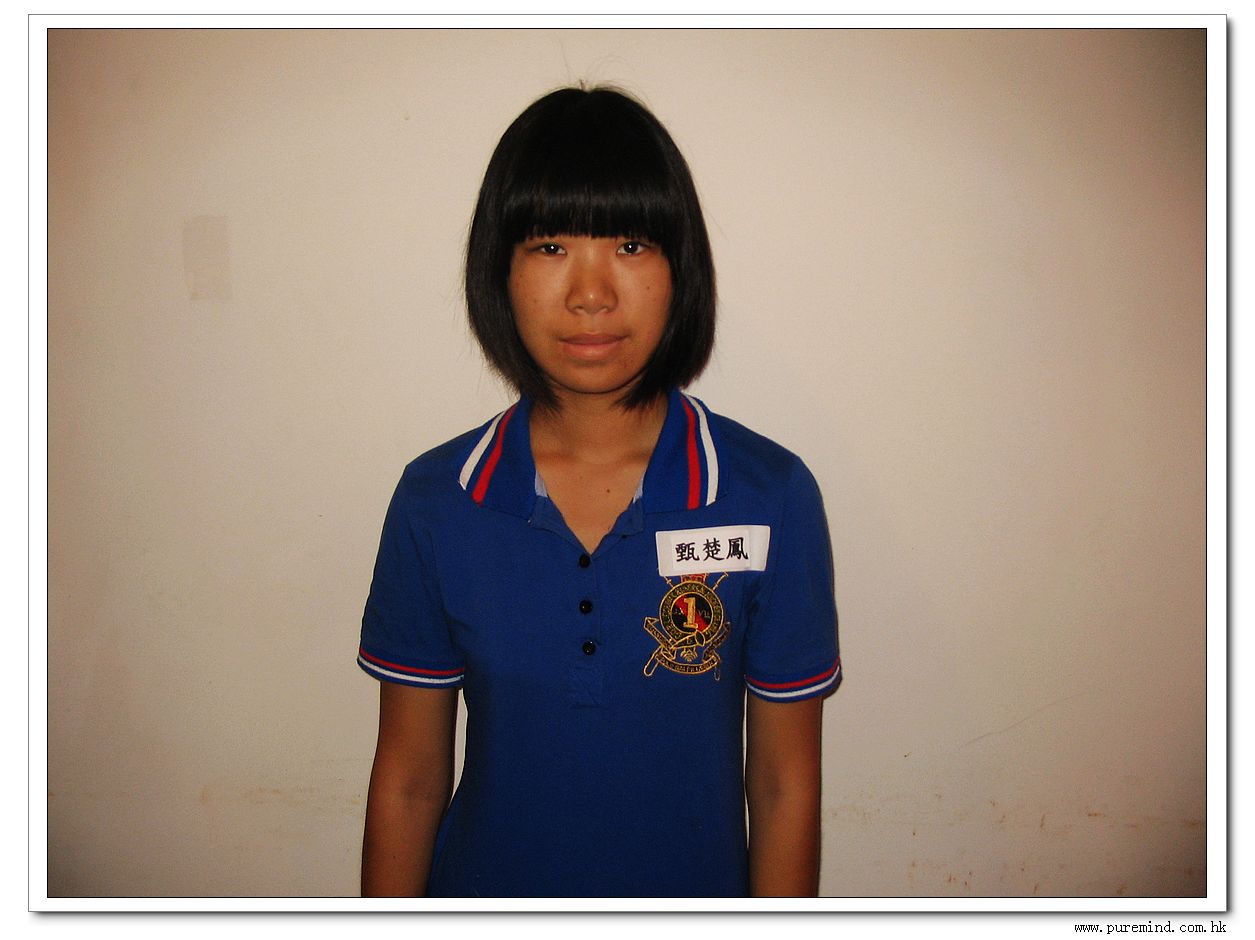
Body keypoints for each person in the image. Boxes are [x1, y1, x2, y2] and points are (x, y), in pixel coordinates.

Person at [357, 85, 840, 898]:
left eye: (630, 244)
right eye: (550, 246)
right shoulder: (436, 501)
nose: (591, 293)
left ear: (680, 269)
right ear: (499, 270)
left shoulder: (767, 496)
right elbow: (408, 782)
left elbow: (783, 786)